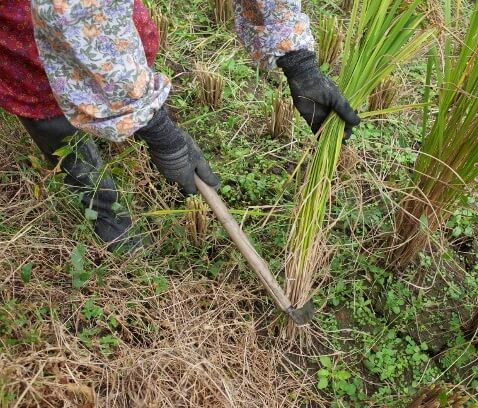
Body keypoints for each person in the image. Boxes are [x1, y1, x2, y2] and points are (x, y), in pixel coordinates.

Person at [0, 0, 360, 252]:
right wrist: (159, 130)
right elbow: (77, 16)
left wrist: (299, 64)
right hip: (34, 15)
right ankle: (99, 202)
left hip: (96, 12)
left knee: (127, 44)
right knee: (37, 83)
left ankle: (111, 111)